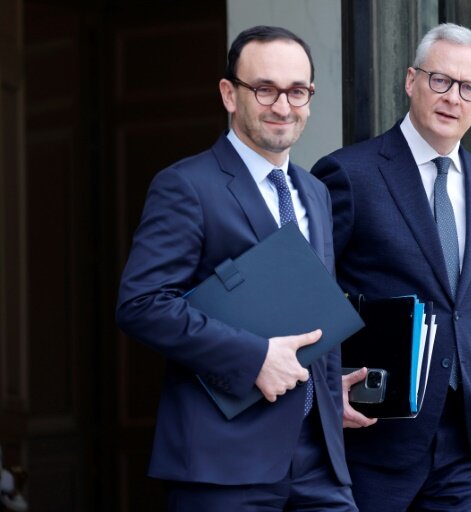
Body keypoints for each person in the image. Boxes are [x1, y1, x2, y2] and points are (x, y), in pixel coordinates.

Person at [116, 26, 357, 512]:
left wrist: (330, 396)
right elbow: (142, 304)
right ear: (230, 93)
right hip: (225, 466)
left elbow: (313, 313)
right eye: (264, 89)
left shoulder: (315, 193)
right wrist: (254, 359)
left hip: (320, 465)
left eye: (297, 91)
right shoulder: (185, 185)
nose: (283, 106)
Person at [312, 23, 471, 511]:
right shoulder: (348, 174)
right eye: (439, 80)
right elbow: (309, 293)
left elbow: (462, 303)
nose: (452, 98)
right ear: (410, 81)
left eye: (469, 88)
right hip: (375, 431)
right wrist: (323, 387)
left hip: (463, 435)